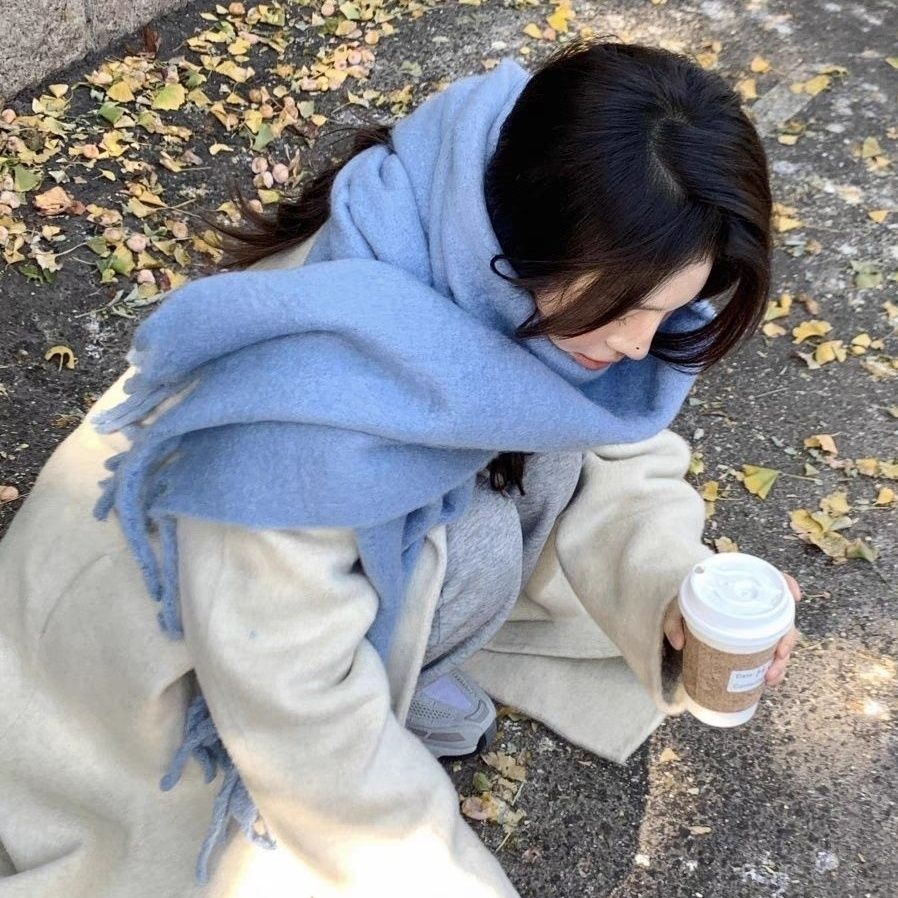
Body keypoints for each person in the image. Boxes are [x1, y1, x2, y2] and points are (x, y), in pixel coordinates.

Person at [0, 38, 800, 898]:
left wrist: (673, 587)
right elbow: (295, 708)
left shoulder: (493, 191)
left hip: (287, 591)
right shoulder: (308, 412)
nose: (640, 346)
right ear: (535, 239)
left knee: (528, 486)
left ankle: (405, 670)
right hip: (158, 655)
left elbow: (616, 444)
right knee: (475, 550)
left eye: (669, 311)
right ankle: (394, 676)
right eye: (622, 309)